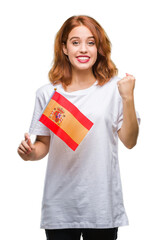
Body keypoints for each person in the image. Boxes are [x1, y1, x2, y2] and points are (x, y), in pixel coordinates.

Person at [17, 15, 141, 240]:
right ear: (64, 48)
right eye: (75, 42)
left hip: (102, 206)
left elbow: (130, 141)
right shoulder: (48, 93)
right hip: (60, 207)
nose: (83, 49)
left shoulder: (115, 89)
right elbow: (42, 145)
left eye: (91, 42)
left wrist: (128, 98)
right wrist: (29, 153)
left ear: (99, 48)